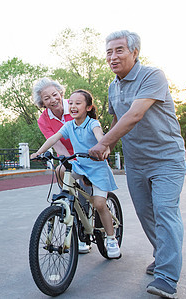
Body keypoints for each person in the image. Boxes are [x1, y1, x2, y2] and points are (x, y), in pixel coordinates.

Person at [89, 30, 186, 299]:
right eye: (109, 51)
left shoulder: (152, 76)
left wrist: (103, 143)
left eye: (119, 50)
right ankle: (165, 254)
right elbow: (117, 120)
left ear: (135, 52)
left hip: (167, 159)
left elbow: (134, 114)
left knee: (165, 211)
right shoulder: (112, 86)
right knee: (147, 215)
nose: (112, 56)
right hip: (136, 162)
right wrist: (105, 142)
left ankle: (166, 275)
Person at [31, 89, 121, 259]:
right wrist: (39, 152)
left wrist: (103, 147)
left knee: (100, 204)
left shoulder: (93, 123)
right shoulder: (69, 125)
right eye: (71, 103)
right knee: (60, 170)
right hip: (80, 166)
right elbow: (53, 138)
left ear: (88, 107)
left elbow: (100, 136)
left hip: (97, 168)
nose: (72, 106)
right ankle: (71, 203)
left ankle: (111, 239)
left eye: (78, 103)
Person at [32, 78, 90, 254]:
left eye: (55, 95)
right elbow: (56, 144)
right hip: (67, 155)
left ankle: (88, 212)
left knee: (88, 190)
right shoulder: (43, 120)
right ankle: (74, 213)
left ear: (61, 94)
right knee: (61, 173)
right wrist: (68, 161)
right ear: (42, 102)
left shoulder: (74, 107)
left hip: (86, 150)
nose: (52, 100)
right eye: (47, 98)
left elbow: (87, 132)